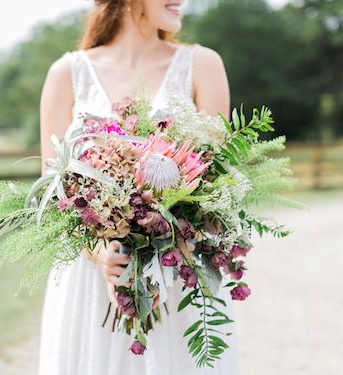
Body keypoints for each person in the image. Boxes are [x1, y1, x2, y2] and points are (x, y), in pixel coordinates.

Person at [37, 0, 240, 374]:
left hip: (176, 273)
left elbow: (215, 181)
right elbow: (55, 194)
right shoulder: (66, 74)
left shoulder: (203, 65)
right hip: (89, 280)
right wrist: (101, 255)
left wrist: (165, 251)